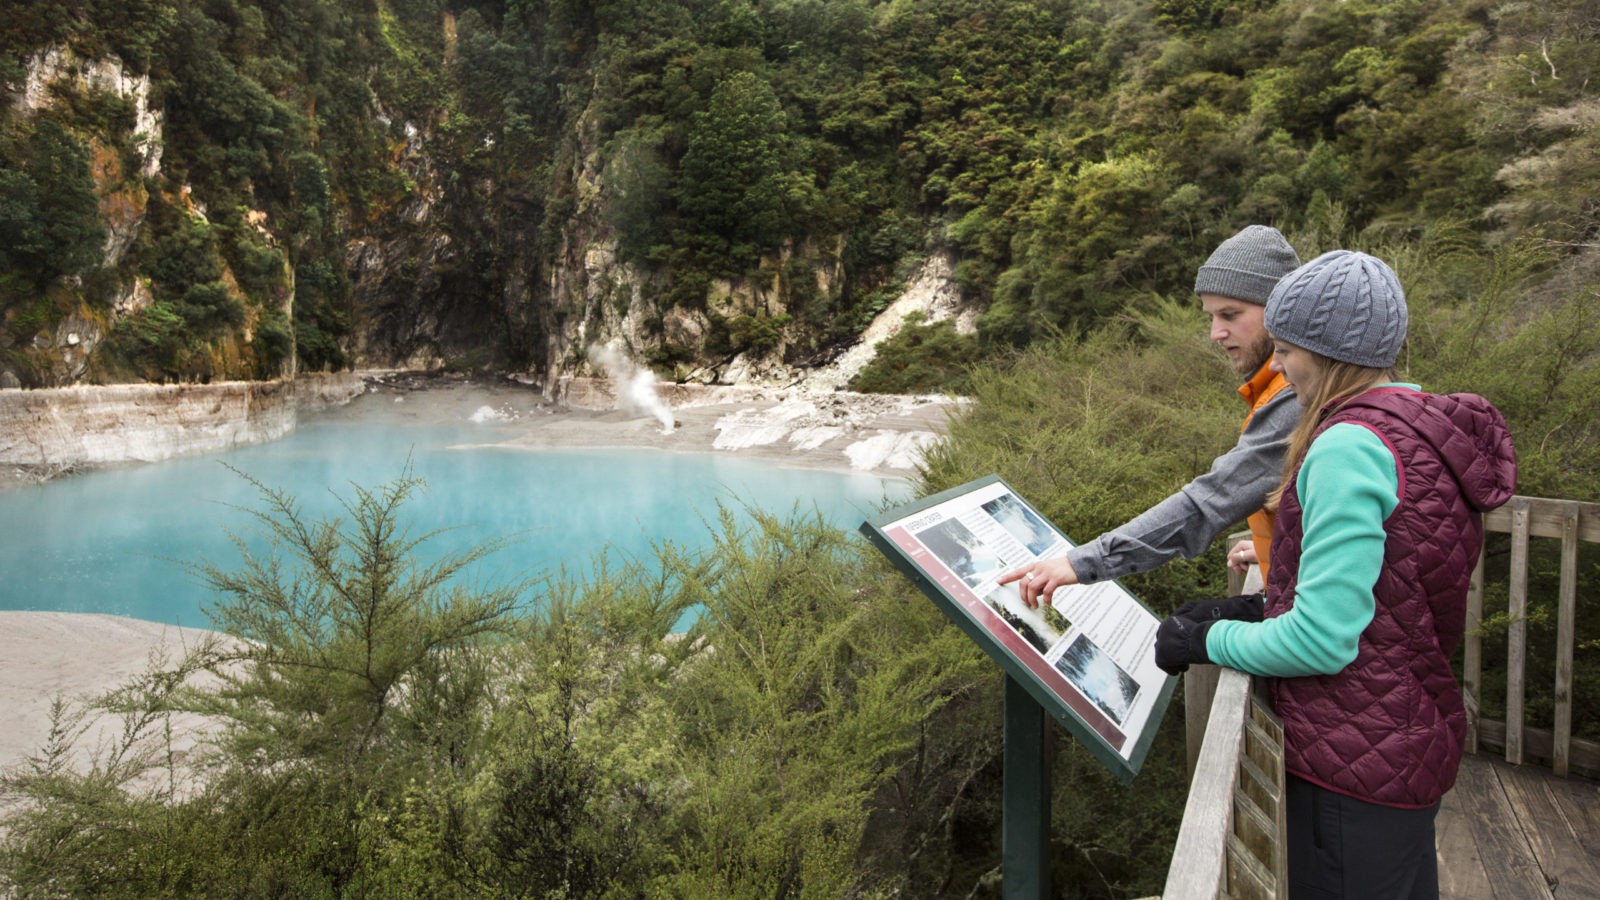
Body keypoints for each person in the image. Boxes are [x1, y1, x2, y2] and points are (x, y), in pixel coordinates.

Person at [1153, 250, 1517, 898]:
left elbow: (1324, 641)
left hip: (1353, 763)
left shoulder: (1348, 447)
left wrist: (1202, 641)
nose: (1282, 368)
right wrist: (1262, 606)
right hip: (1402, 737)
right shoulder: (1416, 431)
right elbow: (1386, 595)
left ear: (1323, 353)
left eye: (1288, 351)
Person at [1001, 225, 1301, 607]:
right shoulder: (1277, 387)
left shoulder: (1294, 397)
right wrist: (1271, 548)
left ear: (1283, 311)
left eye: (1230, 314)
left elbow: (1206, 504)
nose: (1215, 333)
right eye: (1210, 316)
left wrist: (1080, 563)